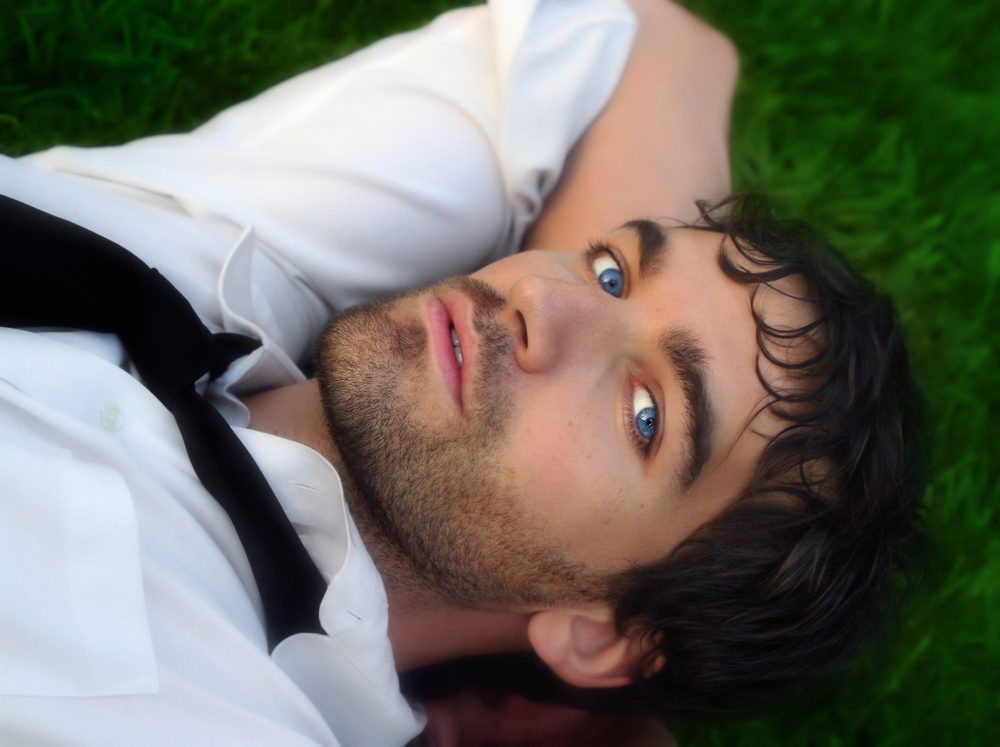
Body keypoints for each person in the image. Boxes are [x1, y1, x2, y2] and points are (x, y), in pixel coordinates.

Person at [0, 0, 926, 745]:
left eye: (646, 413)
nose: (542, 299)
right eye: (611, 268)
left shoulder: (207, 698)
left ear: (603, 632)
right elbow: (656, 44)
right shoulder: (243, 263)